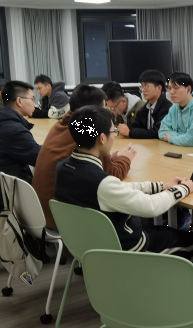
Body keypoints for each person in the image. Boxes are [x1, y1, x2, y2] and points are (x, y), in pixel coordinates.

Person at [55, 105, 193, 255]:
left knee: (161, 229)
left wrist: (161, 186)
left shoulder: (62, 168)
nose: (114, 136)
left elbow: (117, 189)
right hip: (125, 251)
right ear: (102, 138)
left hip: (89, 244)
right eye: (113, 131)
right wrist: (183, 189)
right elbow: (152, 207)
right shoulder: (101, 183)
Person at [32, 84, 136, 229]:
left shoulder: (61, 125)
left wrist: (111, 157)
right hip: (61, 220)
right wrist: (126, 158)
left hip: (42, 212)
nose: (106, 113)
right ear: (93, 112)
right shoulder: (88, 133)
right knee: (127, 208)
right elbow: (113, 174)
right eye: (104, 108)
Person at [0, 81, 41, 211]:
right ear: (19, 101)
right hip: (5, 194)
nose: (34, 104)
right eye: (32, 99)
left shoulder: (0, 121)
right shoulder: (13, 129)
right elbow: (40, 159)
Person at [158, 72, 193, 147]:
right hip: (179, 148)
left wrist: (170, 138)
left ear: (188, 89)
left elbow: (192, 140)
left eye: (176, 88)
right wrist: (183, 136)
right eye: (169, 88)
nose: (171, 92)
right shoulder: (175, 106)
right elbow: (161, 131)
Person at [119, 70, 170, 139]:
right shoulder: (147, 106)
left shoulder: (167, 108)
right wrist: (126, 129)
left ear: (159, 88)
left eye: (146, 86)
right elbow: (137, 124)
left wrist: (130, 132)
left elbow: (157, 132)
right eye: (142, 86)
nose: (143, 90)